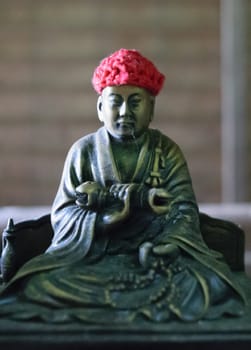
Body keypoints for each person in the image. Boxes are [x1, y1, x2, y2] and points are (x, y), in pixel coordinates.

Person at [0, 49, 246, 323]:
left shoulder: (165, 151)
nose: (125, 111)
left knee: (212, 284)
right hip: (94, 256)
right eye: (116, 101)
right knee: (39, 284)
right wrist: (104, 222)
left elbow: (183, 208)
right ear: (100, 107)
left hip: (152, 258)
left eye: (136, 102)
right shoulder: (84, 151)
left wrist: (169, 245)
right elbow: (63, 214)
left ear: (151, 108)